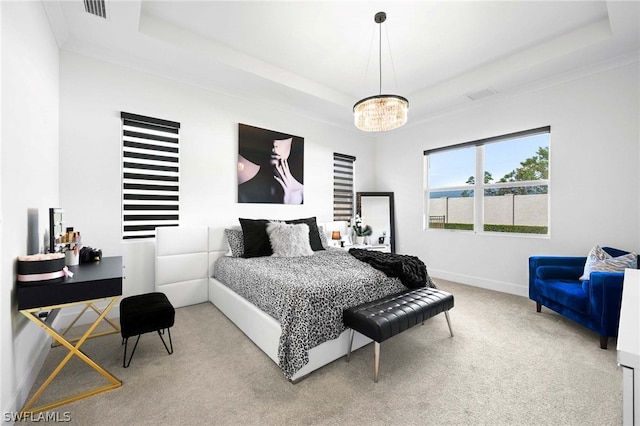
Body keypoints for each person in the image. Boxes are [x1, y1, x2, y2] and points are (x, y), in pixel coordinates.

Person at [237, 125, 304, 204]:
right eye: (266, 138)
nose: (274, 143)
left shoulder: (303, 193)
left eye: (281, 138)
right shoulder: (243, 192)